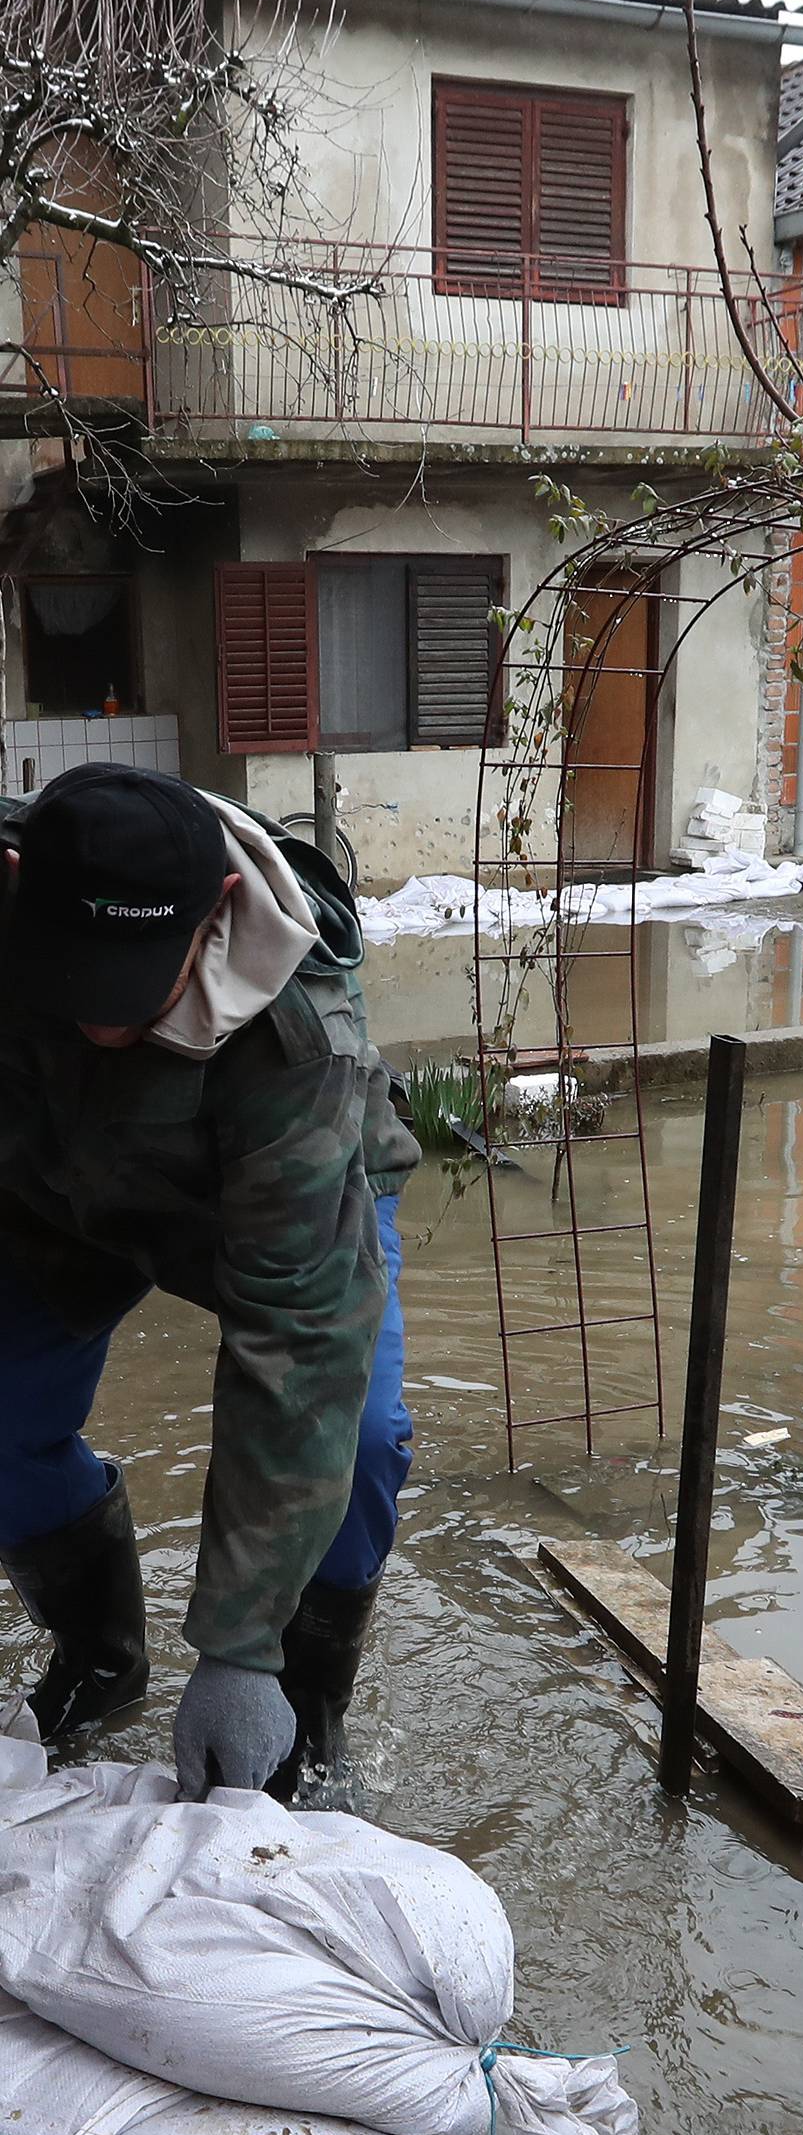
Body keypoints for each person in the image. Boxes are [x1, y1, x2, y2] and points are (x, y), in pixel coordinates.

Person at [0, 763, 419, 1801]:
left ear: (217, 911)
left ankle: (302, 1715)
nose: (104, 1025)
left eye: (138, 987)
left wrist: (241, 1645)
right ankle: (102, 1657)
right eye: (75, 983)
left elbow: (300, 1339)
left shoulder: (298, 1046)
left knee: (354, 1441)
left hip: (281, 1210)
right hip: (56, 1196)